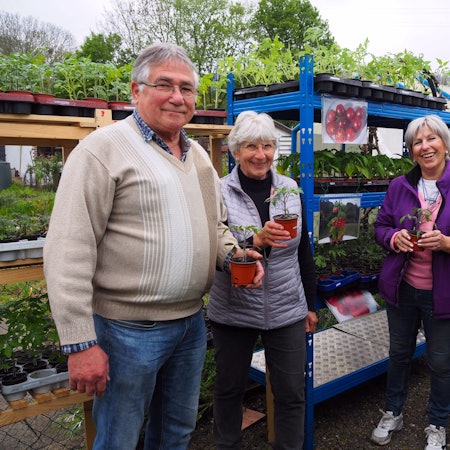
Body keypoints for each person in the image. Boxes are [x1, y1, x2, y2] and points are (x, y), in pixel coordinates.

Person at [43, 43, 263, 450]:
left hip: (190, 325)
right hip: (126, 330)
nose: (178, 97)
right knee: (120, 439)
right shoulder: (102, 150)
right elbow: (68, 247)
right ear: (136, 90)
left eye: (187, 88)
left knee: (175, 432)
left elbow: (214, 226)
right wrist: (80, 342)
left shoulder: (197, 155)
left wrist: (235, 254)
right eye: (164, 85)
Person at [207, 111, 318, 449]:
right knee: (228, 390)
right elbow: (212, 246)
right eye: (251, 146)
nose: (261, 154)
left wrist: (310, 307)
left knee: (291, 392)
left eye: (268, 145)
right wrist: (253, 242)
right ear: (235, 151)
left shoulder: (289, 189)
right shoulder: (219, 192)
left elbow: (304, 252)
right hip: (234, 308)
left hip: (286, 306)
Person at [371, 114, 450, 450]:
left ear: (445, 144)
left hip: (442, 294)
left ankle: (438, 423)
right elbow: (380, 227)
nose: (424, 146)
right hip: (403, 289)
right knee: (399, 354)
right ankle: (393, 411)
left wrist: (446, 243)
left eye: (431, 139)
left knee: (441, 361)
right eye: (417, 142)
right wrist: (394, 238)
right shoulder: (399, 186)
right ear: (411, 151)